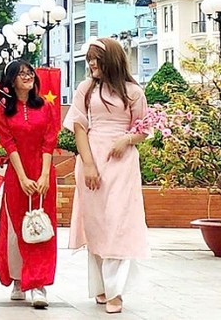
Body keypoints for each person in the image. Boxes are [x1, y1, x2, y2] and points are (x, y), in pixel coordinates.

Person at [63, 38, 149, 315]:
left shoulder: (133, 92)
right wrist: (88, 164)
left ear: (110, 60)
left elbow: (144, 129)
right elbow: (78, 127)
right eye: (88, 59)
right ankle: (100, 287)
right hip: (92, 156)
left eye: (96, 59)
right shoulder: (85, 89)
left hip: (122, 163)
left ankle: (116, 292)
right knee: (97, 223)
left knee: (118, 223)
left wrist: (126, 140)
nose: (91, 64)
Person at [0, 60, 59, 309]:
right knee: (17, 227)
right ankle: (19, 279)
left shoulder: (47, 107)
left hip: (43, 172)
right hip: (16, 175)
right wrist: (22, 177)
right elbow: (9, 144)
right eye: (21, 74)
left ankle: (38, 283)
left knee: (42, 225)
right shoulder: (1, 112)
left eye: (29, 72)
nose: (27, 76)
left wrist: (43, 176)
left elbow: (48, 142)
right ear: (11, 81)